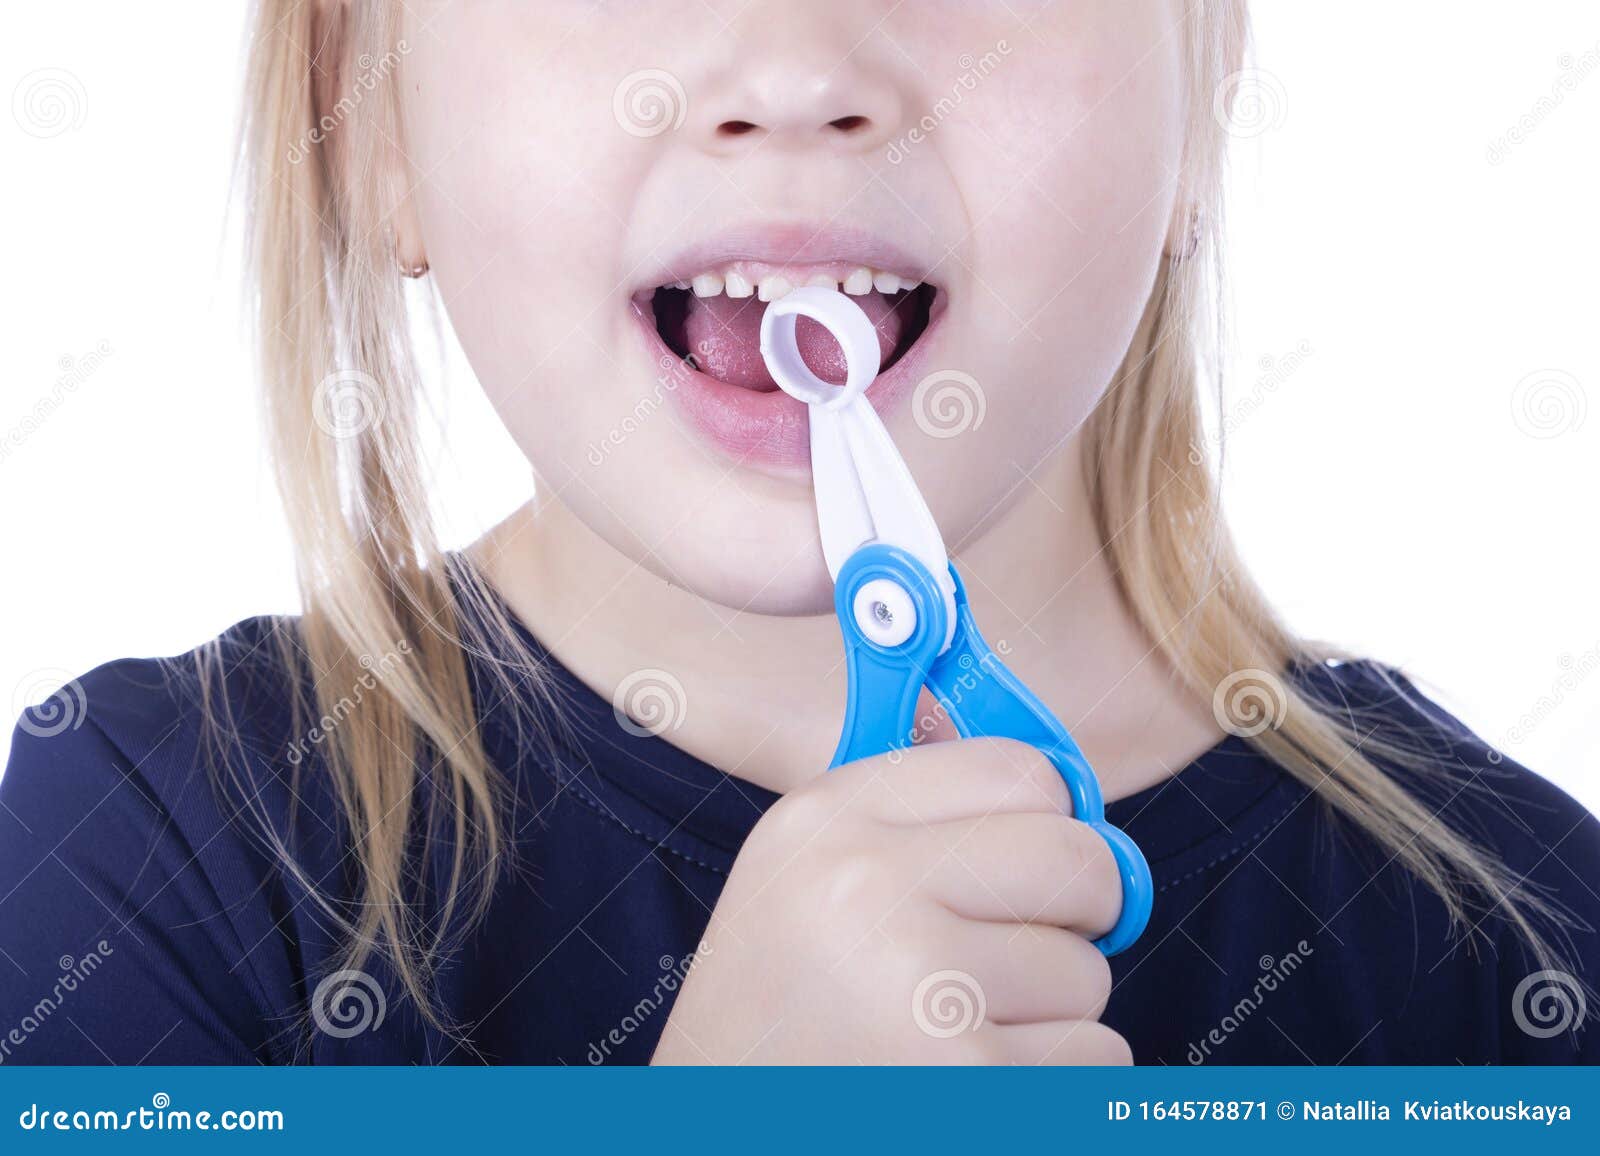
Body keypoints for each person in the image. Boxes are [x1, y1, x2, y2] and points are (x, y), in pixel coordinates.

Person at [2, 0, 1594, 1065]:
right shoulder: (152, 863)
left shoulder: (1525, 947)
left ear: (1207, 81)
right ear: (374, 124)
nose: (793, 78)